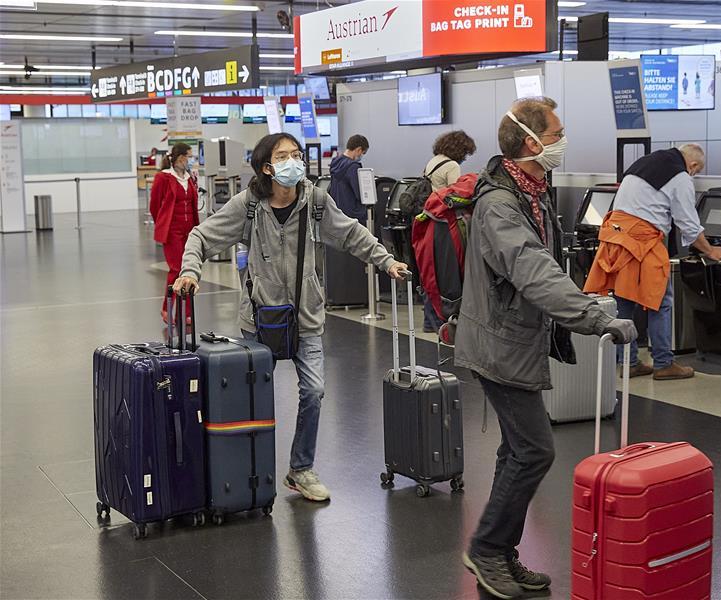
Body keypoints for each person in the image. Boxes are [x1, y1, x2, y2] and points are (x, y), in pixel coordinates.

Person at [454, 97, 637, 599]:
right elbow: (534, 270)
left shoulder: (530, 189)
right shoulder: (500, 204)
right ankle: (488, 549)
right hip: (499, 344)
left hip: (511, 338)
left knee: (517, 448)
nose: (563, 137)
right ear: (531, 142)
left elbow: (545, 264)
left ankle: (502, 551)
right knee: (535, 449)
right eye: (557, 131)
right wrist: (595, 316)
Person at [173, 133, 407, 502]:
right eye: (284, 156)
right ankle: (249, 471)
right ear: (267, 167)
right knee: (253, 400)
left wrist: (386, 260)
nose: (293, 162)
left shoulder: (315, 201)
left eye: (297, 155)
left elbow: (350, 233)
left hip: (306, 318)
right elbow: (201, 236)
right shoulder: (249, 205)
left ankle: (300, 469)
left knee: (313, 391)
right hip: (260, 319)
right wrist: (190, 271)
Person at [584, 144, 721, 381]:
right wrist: (711, 250)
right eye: (696, 172)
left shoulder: (643, 163)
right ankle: (663, 363)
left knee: (624, 298)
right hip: (642, 241)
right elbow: (688, 223)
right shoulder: (680, 176)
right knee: (660, 300)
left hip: (615, 235)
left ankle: (627, 362)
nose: (693, 175)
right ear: (692, 165)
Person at [420, 130, 477, 332]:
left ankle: (429, 321)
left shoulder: (433, 160)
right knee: (447, 276)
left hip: (429, 219)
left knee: (431, 274)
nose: (465, 157)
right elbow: (458, 194)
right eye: (465, 152)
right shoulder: (451, 165)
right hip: (446, 224)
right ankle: (443, 323)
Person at [149, 142, 198, 324]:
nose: (191, 160)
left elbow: (193, 204)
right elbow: (155, 205)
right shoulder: (163, 178)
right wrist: (162, 224)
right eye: (189, 156)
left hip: (189, 229)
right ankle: (167, 309)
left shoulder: (189, 177)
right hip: (172, 230)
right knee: (176, 269)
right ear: (180, 158)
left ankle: (185, 312)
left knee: (189, 271)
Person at [327, 134, 369, 223]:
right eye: (363, 153)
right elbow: (359, 193)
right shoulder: (353, 167)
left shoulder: (335, 162)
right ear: (358, 149)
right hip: (353, 215)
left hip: (337, 213)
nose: (361, 156)